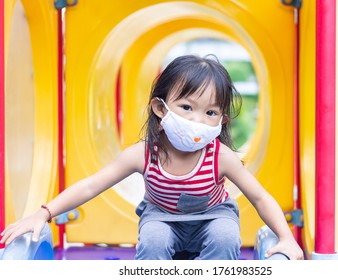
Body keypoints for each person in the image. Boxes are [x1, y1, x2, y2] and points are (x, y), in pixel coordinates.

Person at [0, 54, 303, 260]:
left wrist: (286, 237)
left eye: (210, 112)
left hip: (213, 217)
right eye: (186, 107)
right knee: (155, 239)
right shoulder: (144, 154)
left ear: (222, 120)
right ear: (161, 109)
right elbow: (91, 186)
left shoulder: (219, 157)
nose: (198, 120)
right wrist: (43, 213)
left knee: (225, 235)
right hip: (161, 217)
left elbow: (260, 198)